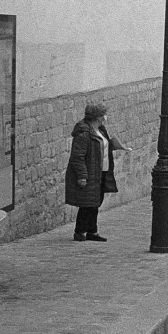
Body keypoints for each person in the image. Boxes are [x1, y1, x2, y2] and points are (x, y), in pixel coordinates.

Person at [65, 102, 130, 242]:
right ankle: (80, 231)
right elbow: (78, 157)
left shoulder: (100, 130)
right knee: (87, 203)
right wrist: (82, 176)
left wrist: (116, 146)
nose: (105, 117)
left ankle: (92, 231)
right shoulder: (83, 134)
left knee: (96, 202)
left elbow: (102, 146)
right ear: (97, 117)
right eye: (103, 115)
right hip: (90, 172)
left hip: (101, 171)